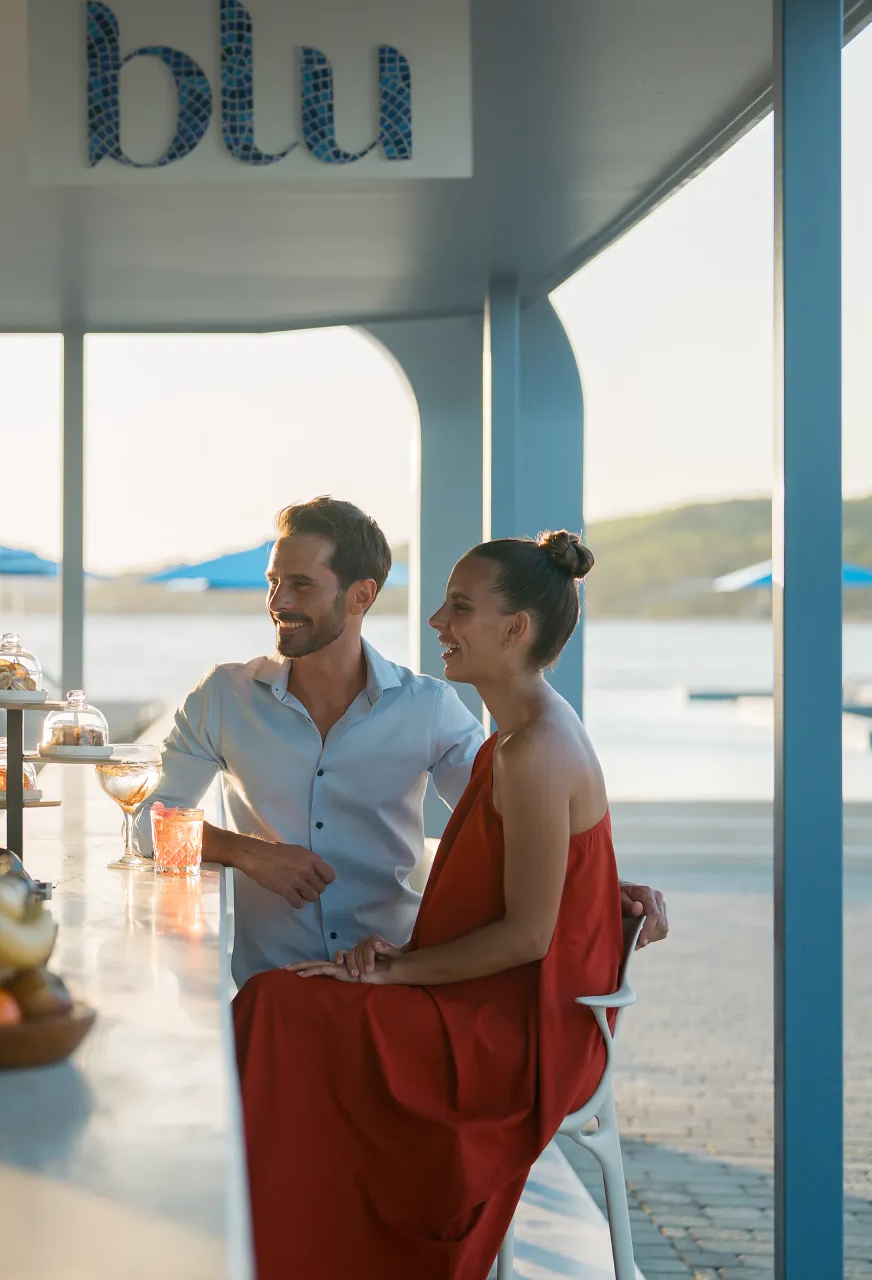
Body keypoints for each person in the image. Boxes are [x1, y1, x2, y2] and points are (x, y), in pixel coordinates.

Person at [233, 531, 624, 1279]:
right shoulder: (518, 734)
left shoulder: (538, 748)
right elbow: (558, 876)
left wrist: (392, 974)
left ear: (516, 630)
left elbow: (529, 936)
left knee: (278, 1008)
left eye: (461, 607)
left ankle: (290, 1252)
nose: (438, 622)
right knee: (280, 1005)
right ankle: (284, 1247)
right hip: (486, 999)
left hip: (519, 1032)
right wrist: (396, 960)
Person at [148, 497, 665, 986]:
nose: (277, 601)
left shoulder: (428, 707)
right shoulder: (224, 697)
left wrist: (605, 886)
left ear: (361, 596)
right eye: (274, 581)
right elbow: (144, 826)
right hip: (276, 979)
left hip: (397, 974)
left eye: (301, 584)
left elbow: (515, 827)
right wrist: (245, 853)